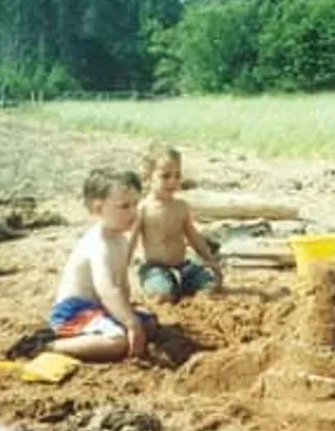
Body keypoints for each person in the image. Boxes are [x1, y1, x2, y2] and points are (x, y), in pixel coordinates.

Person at [36, 167, 157, 362]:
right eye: (124, 206)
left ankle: (101, 333)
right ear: (98, 209)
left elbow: (122, 284)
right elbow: (107, 289)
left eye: (136, 204)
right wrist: (131, 323)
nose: (133, 212)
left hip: (99, 308)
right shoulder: (98, 243)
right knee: (117, 341)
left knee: (149, 323)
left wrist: (127, 313)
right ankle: (48, 346)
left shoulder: (120, 240)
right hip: (74, 312)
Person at [128, 142, 222, 303]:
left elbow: (193, 237)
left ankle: (181, 288)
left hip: (183, 266)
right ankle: (166, 289)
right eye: (165, 176)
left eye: (177, 176)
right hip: (156, 268)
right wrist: (121, 268)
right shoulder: (143, 209)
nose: (173, 181)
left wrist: (209, 259)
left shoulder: (181, 207)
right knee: (162, 294)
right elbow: (131, 241)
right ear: (147, 177)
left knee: (211, 284)